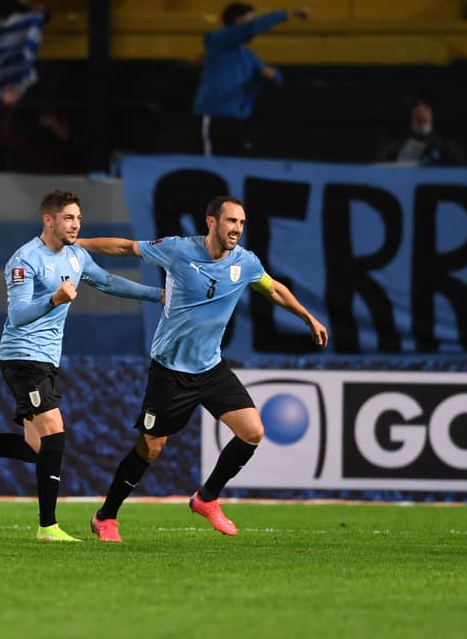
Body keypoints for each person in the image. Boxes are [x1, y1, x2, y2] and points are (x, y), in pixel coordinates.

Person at [77, 196, 328, 541]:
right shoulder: (178, 250)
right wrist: (78, 243)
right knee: (150, 447)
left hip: (211, 368)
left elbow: (275, 290)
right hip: (170, 370)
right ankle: (105, 517)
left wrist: (308, 317)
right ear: (211, 222)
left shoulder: (245, 262)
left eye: (241, 223)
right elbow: (125, 248)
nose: (237, 229)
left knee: (252, 431)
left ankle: (206, 498)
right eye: (230, 222)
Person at [0, 190, 162, 542]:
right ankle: (48, 527)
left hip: (47, 361)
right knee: (55, 436)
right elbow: (18, 316)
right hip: (22, 358)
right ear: (48, 220)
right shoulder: (24, 259)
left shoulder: (77, 256)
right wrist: (54, 298)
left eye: (79, 218)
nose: (76, 224)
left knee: (38, 449)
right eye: (68, 218)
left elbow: (109, 282)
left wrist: (157, 295)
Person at [193, 2, 308, 157]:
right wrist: (287, 14)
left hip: (238, 118)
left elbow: (273, 76)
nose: (254, 23)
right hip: (215, 115)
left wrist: (274, 75)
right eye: (250, 19)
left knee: (235, 166)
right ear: (238, 21)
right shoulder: (218, 38)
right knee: (213, 164)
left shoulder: (247, 54)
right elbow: (252, 28)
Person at [376, 94, 467, 166]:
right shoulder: (396, 147)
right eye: (416, 107)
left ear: (432, 114)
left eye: (425, 108)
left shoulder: (445, 147)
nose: (420, 110)